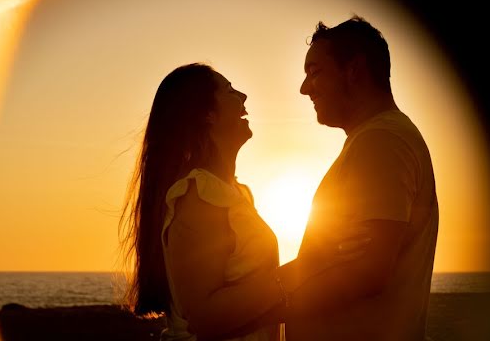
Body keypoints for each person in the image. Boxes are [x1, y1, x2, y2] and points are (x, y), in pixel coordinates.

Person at [119, 63, 368, 341]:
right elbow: (206, 319)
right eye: (229, 90)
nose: (243, 97)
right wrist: (305, 268)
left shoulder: (235, 193)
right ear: (207, 115)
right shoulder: (200, 195)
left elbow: (251, 304)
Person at [284, 16, 440, 341]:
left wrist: (263, 304)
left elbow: (369, 272)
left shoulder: (382, 139)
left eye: (315, 73)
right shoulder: (374, 139)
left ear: (353, 70)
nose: (304, 88)